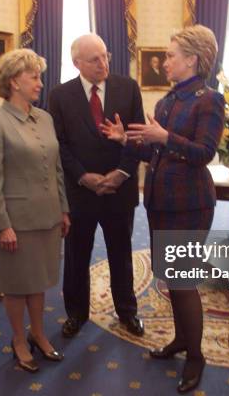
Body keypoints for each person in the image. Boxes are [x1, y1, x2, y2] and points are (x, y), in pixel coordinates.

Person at [100, 24, 224, 394]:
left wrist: (165, 137)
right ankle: (180, 340)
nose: (164, 61)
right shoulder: (167, 101)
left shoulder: (209, 99)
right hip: (160, 202)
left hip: (190, 204)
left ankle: (196, 357)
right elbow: (156, 152)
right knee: (171, 278)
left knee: (183, 282)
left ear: (192, 59)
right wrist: (128, 140)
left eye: (171, 55)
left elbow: (204, 153)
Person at [0, 48, 71, 373]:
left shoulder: (44, 117)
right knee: (17, 284)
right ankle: (18, 339)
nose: (40, 84)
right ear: (15, 81)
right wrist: (2, 225)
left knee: (39, 281)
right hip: (15, 222)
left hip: (47, 218)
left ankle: (39, 334)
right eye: (35, 77)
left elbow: (57, 168)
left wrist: (64, 210)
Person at [48, 34, 145, 338]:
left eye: (106, 56)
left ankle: (127, 312)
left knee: (121, 254)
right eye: (94, 59)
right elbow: (59, 145)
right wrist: (82, 176)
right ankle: (76, 314)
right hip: (81, 193)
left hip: (120, 190)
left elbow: (138, 137)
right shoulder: (59, 96)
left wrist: (122, 173)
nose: (103, 63)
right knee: (77, 256)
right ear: (77, 63)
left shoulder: (128, 88)